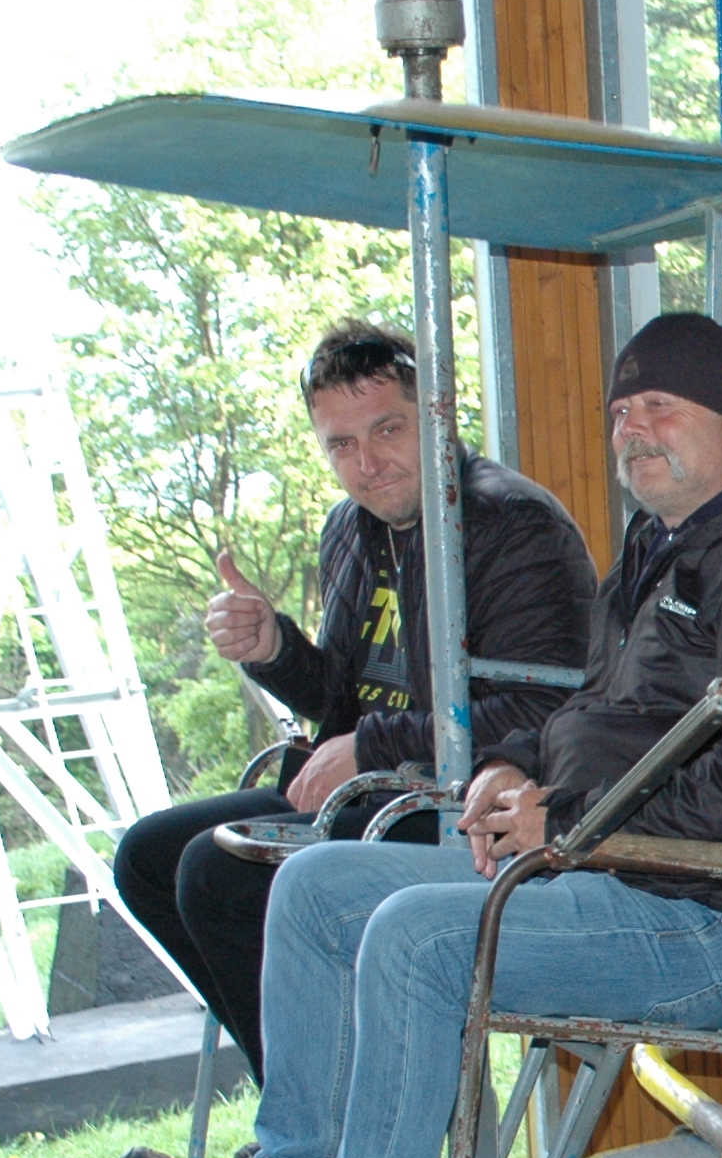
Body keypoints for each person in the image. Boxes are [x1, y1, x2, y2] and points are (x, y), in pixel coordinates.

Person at [119, 313, 722, 1158]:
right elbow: (591, 717)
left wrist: (567, 815)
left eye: (661, 407)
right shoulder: (661, 552)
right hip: (608, 871)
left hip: (709, 919)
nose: (633, 429)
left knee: (417, 937)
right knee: (313, 887)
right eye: (621, 410)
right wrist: (514, 768)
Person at [109, 320, 596, 1085]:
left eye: (387, 430)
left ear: (437, 416)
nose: (367, 465)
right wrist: (273, 648)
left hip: (464, 816)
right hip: (370, 799)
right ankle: (309, 1104)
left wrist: (371, 748)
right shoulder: (349, 529)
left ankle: (315, 1128)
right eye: (340, 445)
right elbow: (340, 701)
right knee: (147, 857)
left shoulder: (511, 524)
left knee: (215, 872)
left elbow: (545, 716)